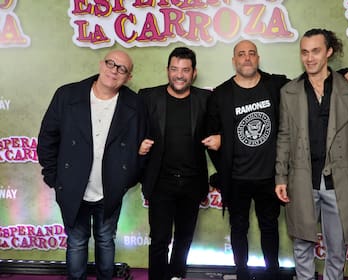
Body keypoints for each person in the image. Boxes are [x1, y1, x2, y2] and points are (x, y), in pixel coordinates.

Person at [206, 39, 348, 280]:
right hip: (236, 177)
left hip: (269, 176)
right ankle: (242, 274)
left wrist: (344, 72)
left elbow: (313, 80)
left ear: (258, 58)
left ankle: (271, 273)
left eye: (251, 53)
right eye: (241, 54)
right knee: (238, 229)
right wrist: (220, 142)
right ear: (234, 60)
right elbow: (211, 134)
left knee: (270, 229)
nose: (246, 58)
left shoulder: (276, 85)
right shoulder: (220, 94)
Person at [37, 50, 146, 280]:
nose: (114, 71)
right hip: (73, 187)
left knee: (106, 240)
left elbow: (142, 147)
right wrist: (53, 177)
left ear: (128, 77)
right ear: (101, 64)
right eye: (111, 63)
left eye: (122, 68)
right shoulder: (67, 95)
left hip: (110, 189)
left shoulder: (135, 105)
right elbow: (48, 138)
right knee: (76, 241)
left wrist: (126, 180)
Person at [275, 29, 348, 280]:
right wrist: (280, 178)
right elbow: (284, 136)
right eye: (304, 52)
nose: (309, 58)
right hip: (301, 179)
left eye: (315, 51)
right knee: (302, 244)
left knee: (337, 247)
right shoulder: (289, 92)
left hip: (338, 181)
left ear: (328, 52)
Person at [138, 47, 218, 280]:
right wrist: (137, 145)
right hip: (160, 182)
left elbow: (219, 128)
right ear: (167, 71)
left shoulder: (206, 99)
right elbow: (130, 128)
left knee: (184, 237)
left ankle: (176, 276)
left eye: (185, 70)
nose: (179, 75)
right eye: (174, 69)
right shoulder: (148, 97)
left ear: (194, 73)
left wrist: (220, 137)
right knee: (160, 239)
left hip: (192, 183)